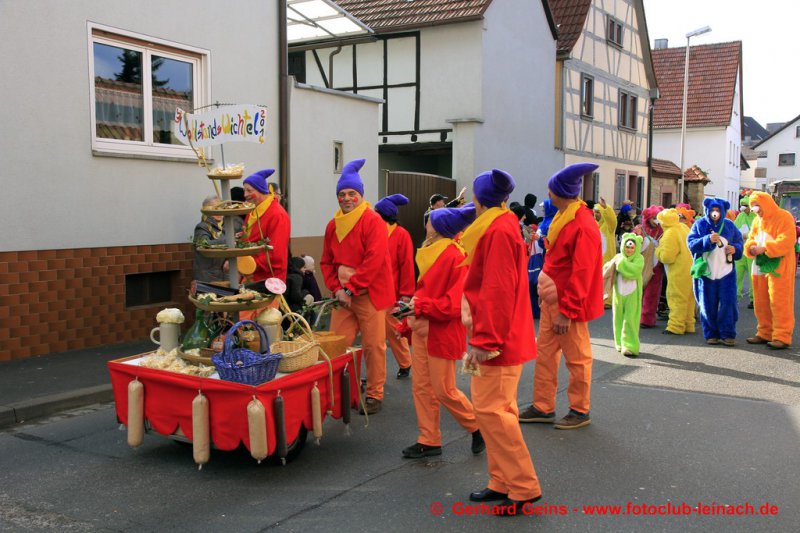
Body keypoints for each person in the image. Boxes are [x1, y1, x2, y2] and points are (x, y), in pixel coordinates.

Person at [461, 168, 541, 516]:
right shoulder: (503, 225)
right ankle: (502, 480)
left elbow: (496, 290)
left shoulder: (496, 230)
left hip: (497, 339)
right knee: (496, 412)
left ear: (478, 198)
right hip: (499, 335)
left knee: (493, 413)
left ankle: (523, 486)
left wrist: (484, 339)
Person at [520, 162, 603, 430]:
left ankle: (580, 410)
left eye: (551, 189)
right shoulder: (564, 216)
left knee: (577, 359)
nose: (548, 193)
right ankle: (543, 406)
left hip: (567, 305)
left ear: (561, 192)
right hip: (552, 300)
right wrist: (546, 295)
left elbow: (583, 272)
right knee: (545, 354)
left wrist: (568, 311)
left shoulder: (582, 224)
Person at [401, 205, 484, 459]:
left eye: (430, 220)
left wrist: (419, 307)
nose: (426, 222)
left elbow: (454, 305)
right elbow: (425, 292)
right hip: (423, 329)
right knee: (421, 388)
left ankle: (478, 426)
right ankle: (429, 439)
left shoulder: (455, 256)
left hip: (442, 332)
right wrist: (408, 315)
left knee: (443, 389)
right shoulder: (430, 250)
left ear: (437, 228)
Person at [321, 159, 394, 414]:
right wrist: (336, 289)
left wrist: (351, 289)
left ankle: (374, 393)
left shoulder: (373, 221)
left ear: (361, 195)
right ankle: (347, 391)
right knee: (338, 346)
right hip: (343, 297)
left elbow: (373, 261)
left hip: (369, 295)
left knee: (374, 346)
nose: (346, 198)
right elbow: (326, 262)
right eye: (341, 194)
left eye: (352, 193)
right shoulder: (333, 226)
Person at [744, 192, 796, 349]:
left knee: (779, 301)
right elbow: (751, 238)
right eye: (753, 207)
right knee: (760, 301)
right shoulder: (757, 221)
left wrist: (765, 248)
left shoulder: (784, 217)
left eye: (757, 206)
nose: (756, 210)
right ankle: (764, 332)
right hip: (759, 266)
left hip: (779, 267)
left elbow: (787, 240)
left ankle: (782, 336)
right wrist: (750, 247)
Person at [687, 198, 743, 346]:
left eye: (718, 210)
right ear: (707, 210)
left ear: (723, 211)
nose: (715, 213)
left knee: (729, 303)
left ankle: (728, 333)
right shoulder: (700, 225)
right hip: (707, 272)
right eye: (712, 210)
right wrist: (707, 240)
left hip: (727, 272)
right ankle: (711, 333)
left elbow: (739, 242)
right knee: (707, 305)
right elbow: (691, 244)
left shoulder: (729, 226)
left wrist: (736, 249)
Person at [374, 194, 415, 378]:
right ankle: (376, 372)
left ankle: (405, 362)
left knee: (394, 330)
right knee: (374, 336)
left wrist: (406, 293)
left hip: (393, 293)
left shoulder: (401, 234)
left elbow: (407, 265)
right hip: (373, 291)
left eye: (376, 212)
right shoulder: (374, 231)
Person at [241, 169, 291, 282]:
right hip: (251, 275)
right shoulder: (253, 210)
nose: (245, 195)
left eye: (249, 190)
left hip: (269, 279)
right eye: (244, 190)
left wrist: (246, 266)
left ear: (261, 190)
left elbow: (275, 253)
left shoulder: (277, 215)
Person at [655, 208, 695, 335]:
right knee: (689, 299)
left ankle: (675, 326)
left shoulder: (670, 233)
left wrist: (658, 250)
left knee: (676, 298)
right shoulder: (684, 227)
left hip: (678, 270)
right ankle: (689, 324)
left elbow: (667, 257)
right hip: (690, 268)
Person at [612, 233, 644, 357]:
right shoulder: (618, 257)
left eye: (632, 247)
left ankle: (629, 345)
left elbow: (634, 271)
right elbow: (607, 269)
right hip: (618, 293)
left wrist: (620, 263)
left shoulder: (639, 259)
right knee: (618, 318)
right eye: (627, 247)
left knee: (630, 319)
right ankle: (619, 342)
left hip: (632, 294)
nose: (629, 250)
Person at [634, 205, 664, 328]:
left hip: (656, 265)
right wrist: (638, 236)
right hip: (640, 264)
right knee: (637, 292)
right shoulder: (640, 228)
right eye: (654, 217)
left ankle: (647, 319)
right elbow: (631, 243)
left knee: (652, 293)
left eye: (658, 217)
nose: (656, 220)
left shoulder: (663, 229)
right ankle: (634, 316)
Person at [193, 195, 228, 282]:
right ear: (207, 210)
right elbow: (204, 244)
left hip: (223, 274)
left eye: (221, 208)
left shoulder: (223, 227)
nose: (219, 211)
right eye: (215, 208)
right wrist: (229, 240)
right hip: (207, 276)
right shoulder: (202, 227)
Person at [594, 197, 617, 307]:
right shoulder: (594, 225)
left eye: (598, 212)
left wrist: (606, 208)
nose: (596, 214)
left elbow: (612, 219)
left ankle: (607, 300)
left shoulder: (609, 227)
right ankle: (597, 299)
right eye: (595, 212)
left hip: (607, 258)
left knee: (607, 279)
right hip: (596, 258)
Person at [734, 198, 756, 308]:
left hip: (752, 250)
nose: (743, 207)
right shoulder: (740, 216)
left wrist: (747, 235)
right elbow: (734, 229)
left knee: (753, 275)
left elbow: (758, 231)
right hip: (740, 250)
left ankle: (754, 299)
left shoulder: (756, 217)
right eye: (742, 205)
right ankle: (734, 298)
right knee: (737, 274)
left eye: (745, 205)